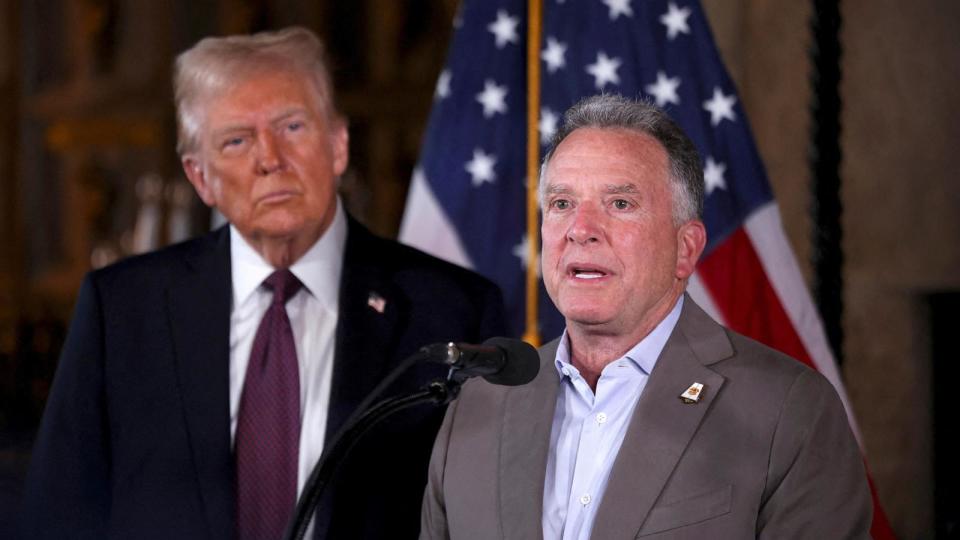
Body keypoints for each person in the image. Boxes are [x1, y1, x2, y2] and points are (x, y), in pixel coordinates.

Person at [22, 27, 506, 540]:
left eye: (292, 127)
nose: (269, 158)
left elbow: (484, 519)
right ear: (200, 177)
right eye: (236, 140)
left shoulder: (452, 309)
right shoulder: (122, 310)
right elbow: (57, 517)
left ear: (338, 145)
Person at [419, 95, 872, 539]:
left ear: (686, 248)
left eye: (619, 203)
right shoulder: (477, 409)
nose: (580, 230)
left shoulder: (787, 411)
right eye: (561, 204)